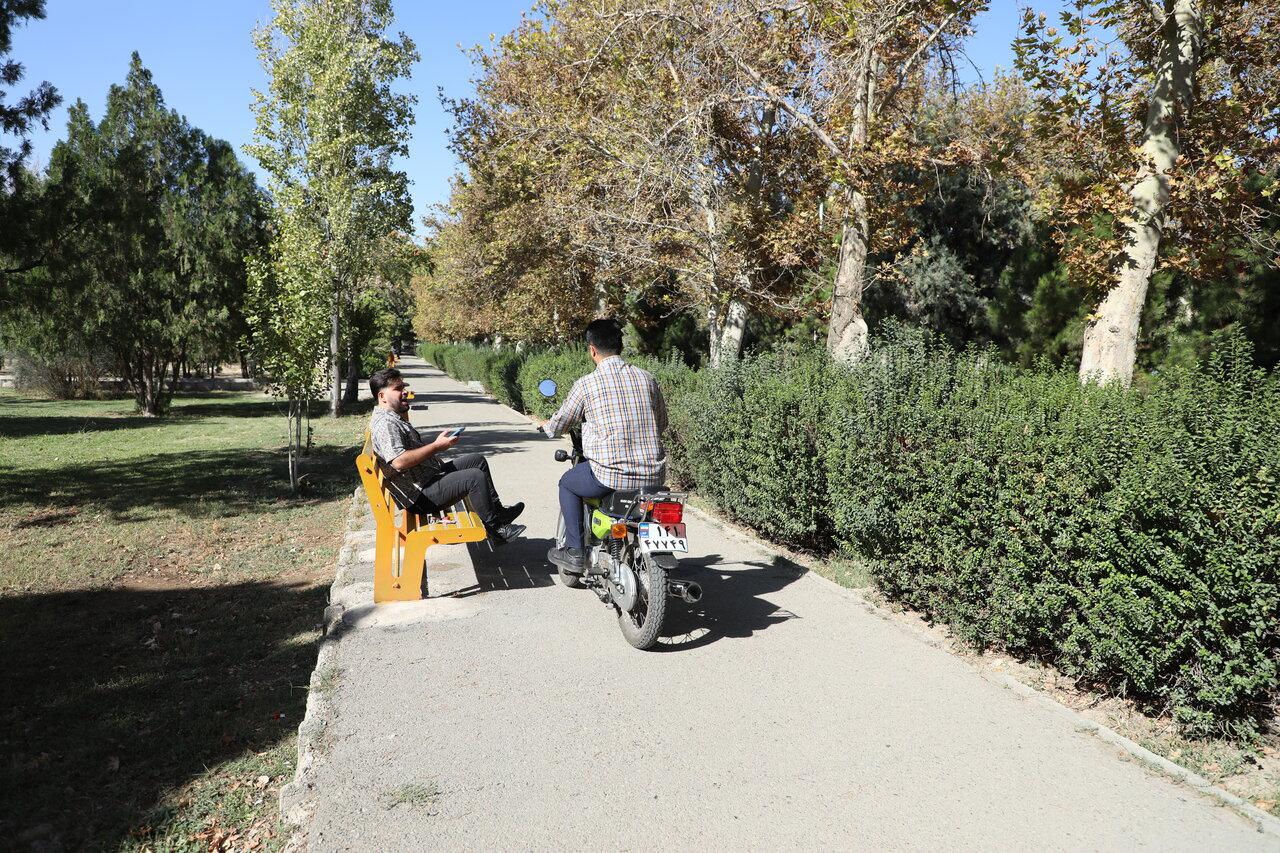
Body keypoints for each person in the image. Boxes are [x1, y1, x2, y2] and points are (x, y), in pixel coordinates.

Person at [539, 318, 668, 572]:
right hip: (653, 475)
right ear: (620, 346)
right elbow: (661, 423)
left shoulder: (587, 384)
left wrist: (548, 427)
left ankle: (575, 551)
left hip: (610, 475)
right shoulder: (647, 379)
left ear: (592, 349)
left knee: (568, 483)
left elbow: (562, 421)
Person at [367, 368, 525, 543]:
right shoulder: (386, 424)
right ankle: (496, 530)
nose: (404, 391)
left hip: (427, 478)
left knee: (476, 461)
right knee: (474, 477)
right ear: (382, 396)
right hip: (420, 496)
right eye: (398, 389)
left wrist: (434, 449)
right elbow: (399, 462)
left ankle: (499, 513)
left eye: (403, 386)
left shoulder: (393, 417)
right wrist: (436, 446)